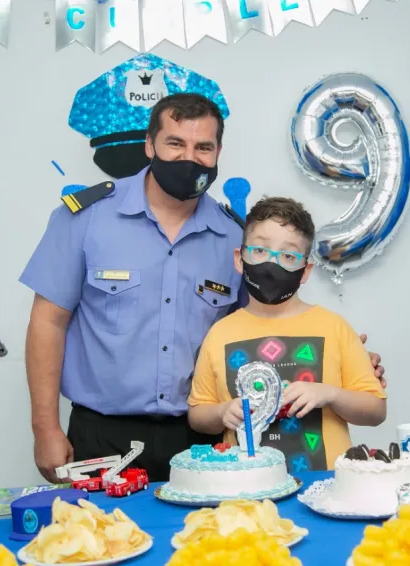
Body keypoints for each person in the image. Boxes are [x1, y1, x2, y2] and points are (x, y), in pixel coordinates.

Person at [20, 93, 386, 483]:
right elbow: (48, 322)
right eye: (175, 143)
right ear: (149, 145)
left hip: (202, 435)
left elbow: (263, 326)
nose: (189, 158)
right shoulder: (86, 219)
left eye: (203, 147)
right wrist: (45, 427)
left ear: (218, 152)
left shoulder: (233, 235)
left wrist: (344, 360)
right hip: (101, 434)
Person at [187, 196, 387, 472]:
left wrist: (330, 394)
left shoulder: (334, 327)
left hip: (326, 485)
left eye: (289, 256)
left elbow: (376, 411)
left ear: (305, 271)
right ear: (239, 259)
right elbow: (198, 414)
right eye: (260, 250)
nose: (272, 263)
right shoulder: (220, 333)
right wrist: (222, 412)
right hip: (245, 485)